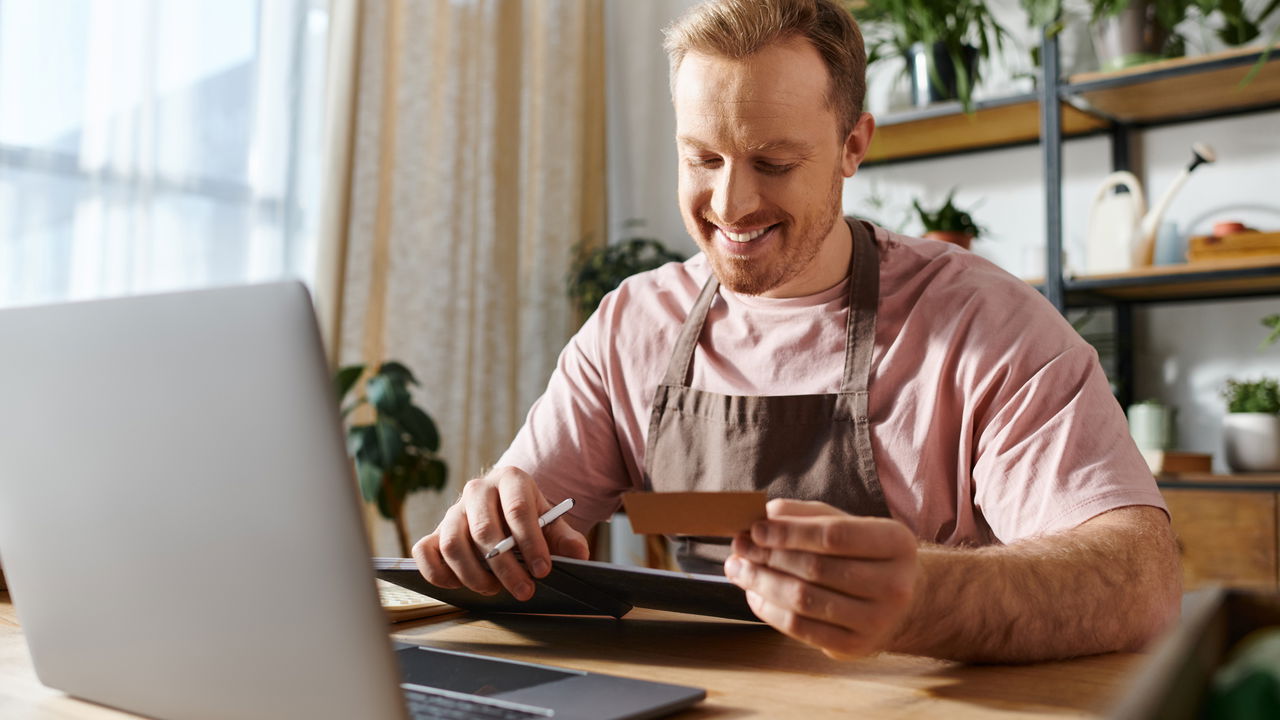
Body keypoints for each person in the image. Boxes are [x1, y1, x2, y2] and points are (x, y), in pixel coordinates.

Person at [412, 0, 1180, 663]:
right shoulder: (630, 328)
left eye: (773, 162)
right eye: (701, 158)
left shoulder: (986, 327)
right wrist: (488, 533)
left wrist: (925, 595)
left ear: (853, 146)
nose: (731, 201)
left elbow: (1139, 582)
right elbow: (520, 530)